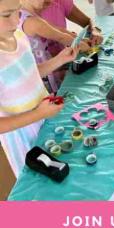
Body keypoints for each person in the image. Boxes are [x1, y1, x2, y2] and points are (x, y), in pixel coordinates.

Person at [0, 0, 78, 177]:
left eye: (18, 12)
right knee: (38, 177)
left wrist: (60, 59)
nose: (16, 20)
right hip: (22, 134)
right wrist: (39, 114)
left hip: (45, 117)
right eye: (6, 15)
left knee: (60, 165)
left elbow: (29, 73)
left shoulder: (18, 35)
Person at [19, 0, 90, 91]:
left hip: (44, 67)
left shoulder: (23, 13)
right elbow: (61, 37)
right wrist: (84, 46)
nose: (49, 2)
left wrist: (79, 39)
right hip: (46, 70)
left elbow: (58, 29)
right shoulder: (33, 22)